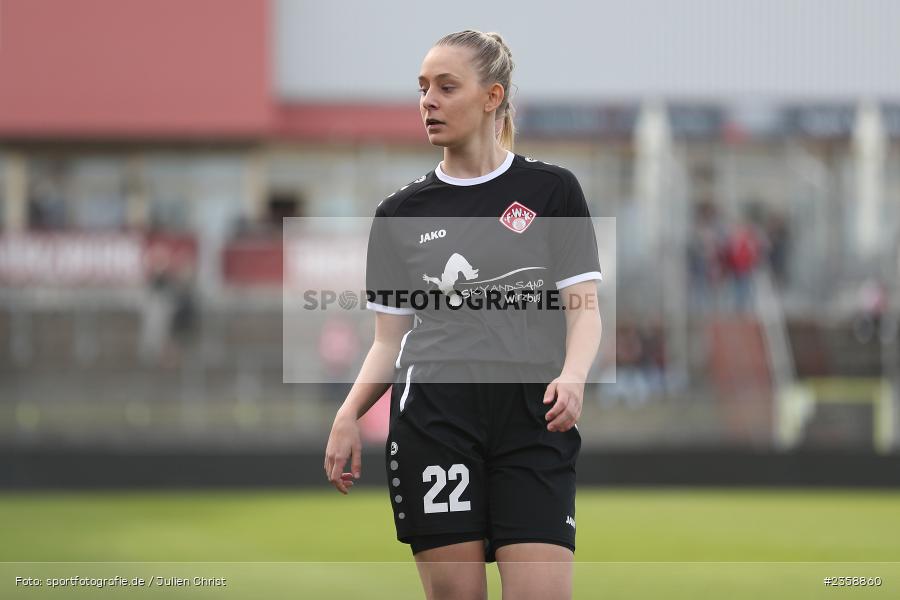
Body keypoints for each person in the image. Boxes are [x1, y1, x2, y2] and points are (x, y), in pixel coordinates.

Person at [324, 30, 603, 600]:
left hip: (534, 422)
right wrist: (349, 413)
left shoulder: (553, 191)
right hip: (436, 422)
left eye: (446, 87)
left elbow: (585, 309)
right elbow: (388, 341)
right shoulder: (399, 213)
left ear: (492, 96)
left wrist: (573, 376)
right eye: (423, 88)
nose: (428, 101)